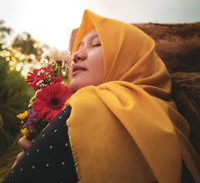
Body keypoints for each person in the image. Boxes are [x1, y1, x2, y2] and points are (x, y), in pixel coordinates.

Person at [2, 10, 200, 183]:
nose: (76, 55)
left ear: (128, 57)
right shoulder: (170, 117)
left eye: (96, 45)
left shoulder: (89, 104)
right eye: (78, 47)